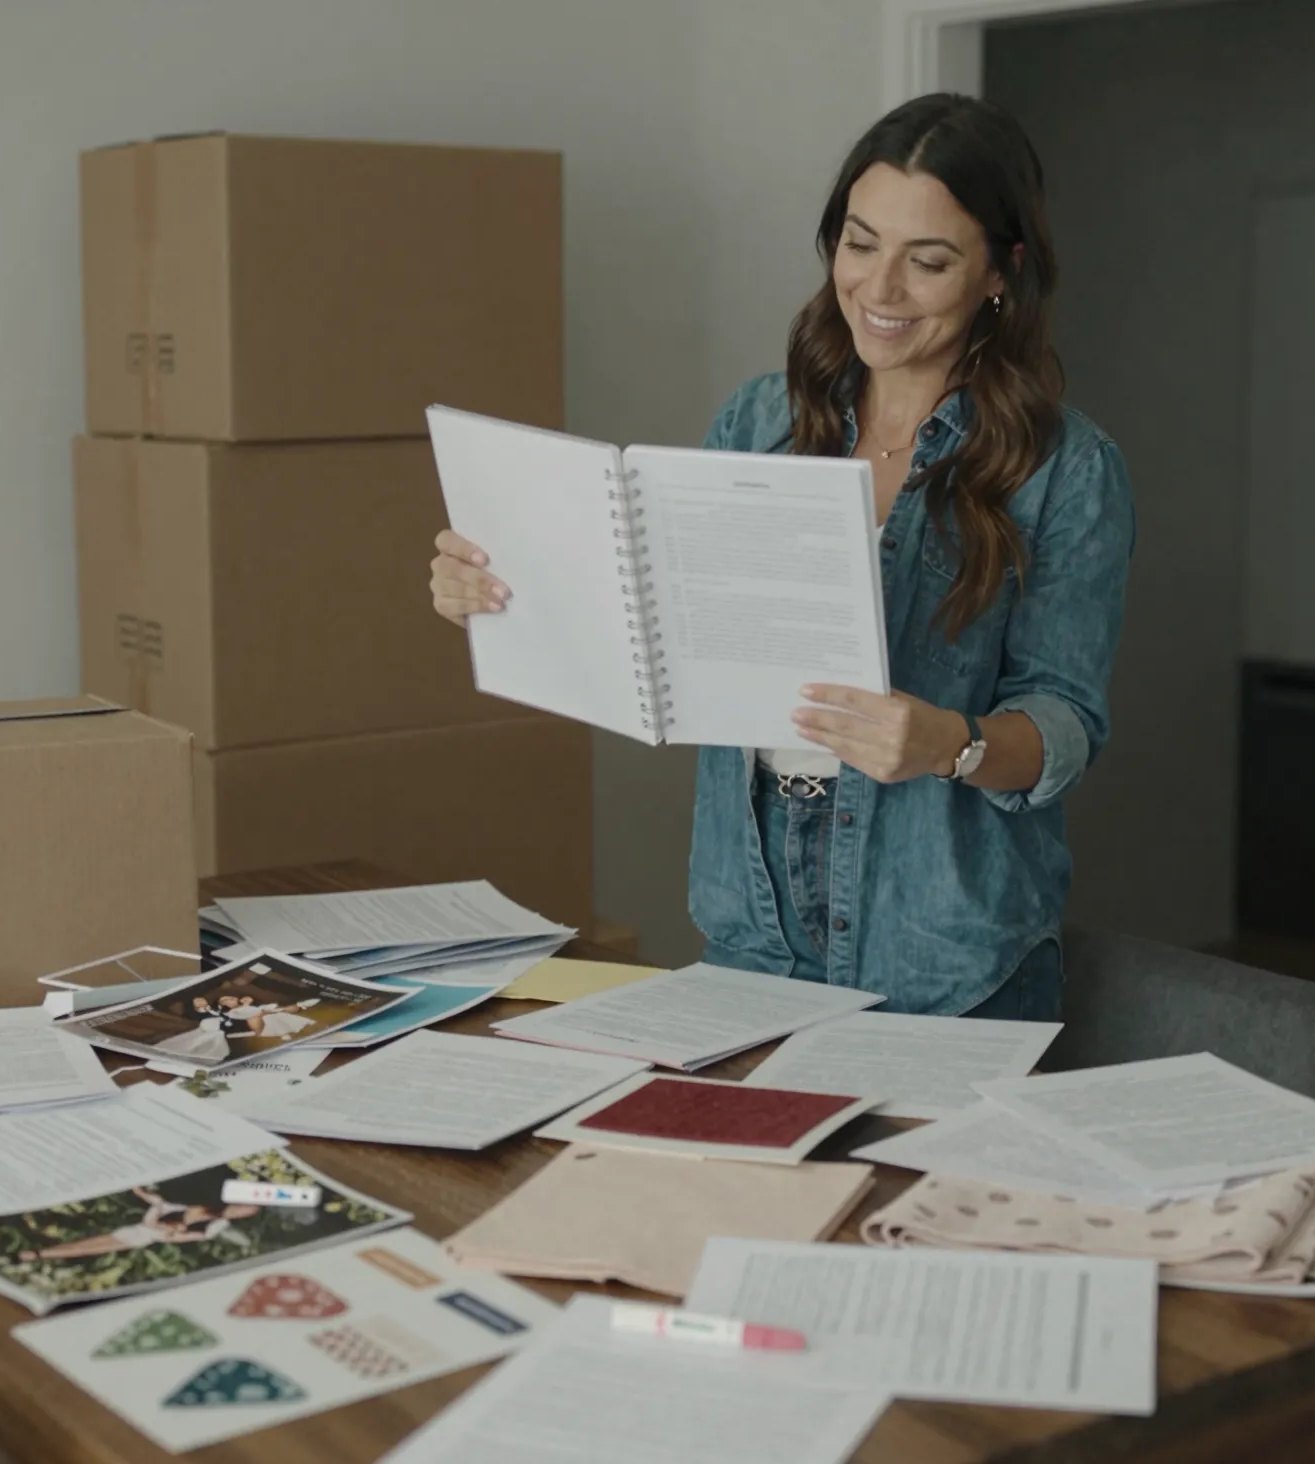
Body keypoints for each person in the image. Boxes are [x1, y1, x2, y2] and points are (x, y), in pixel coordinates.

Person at [429, 93, 1133, 1025]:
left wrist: (950, 745)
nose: (879, 291)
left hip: (947, 956)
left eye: (927, 261)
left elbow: (1065, 722)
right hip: (753, 935)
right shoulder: (758, 421)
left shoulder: (1067, 467)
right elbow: (660, 630)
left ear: (1000, 274)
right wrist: (505, 593)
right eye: (859, 242)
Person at [16, 1187, 261, 1263]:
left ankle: (39, 1254)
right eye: (242, 1207)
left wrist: (166, 1232)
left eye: (244, 1214)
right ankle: (39, 1252)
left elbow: (179, 1238)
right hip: (138, 1226)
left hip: (143, 1237)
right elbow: (162, 1204)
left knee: (92, 1248)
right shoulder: (205, 1204)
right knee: (89, 1243)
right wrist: (143, 1195)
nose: (239, 1212)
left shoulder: (216, 1226)